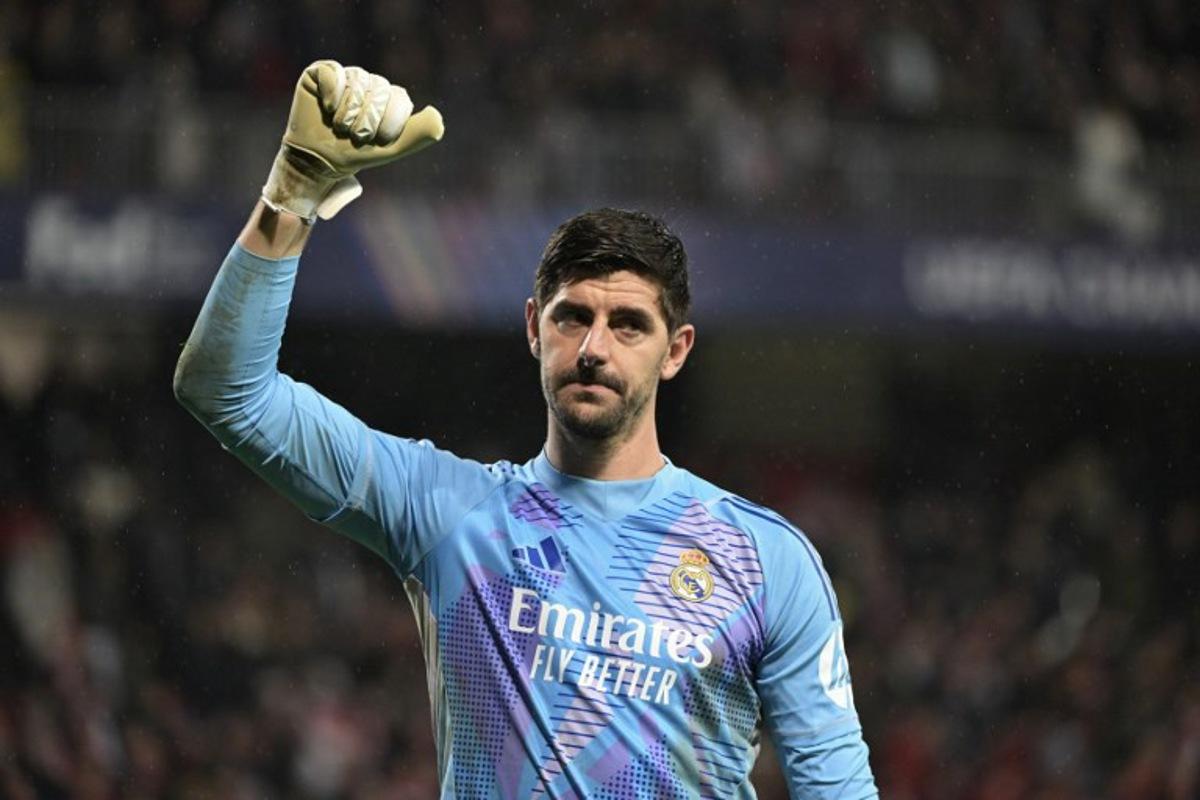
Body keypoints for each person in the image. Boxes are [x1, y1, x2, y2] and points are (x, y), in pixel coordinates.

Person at [174, 60, 877, 799]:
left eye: (629, 325)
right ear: (535, 329)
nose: (595, 347)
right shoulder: (447, 513)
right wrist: (294, 188)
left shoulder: (768, 563)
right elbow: (226, 391)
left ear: (676, 352)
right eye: (575, 316)